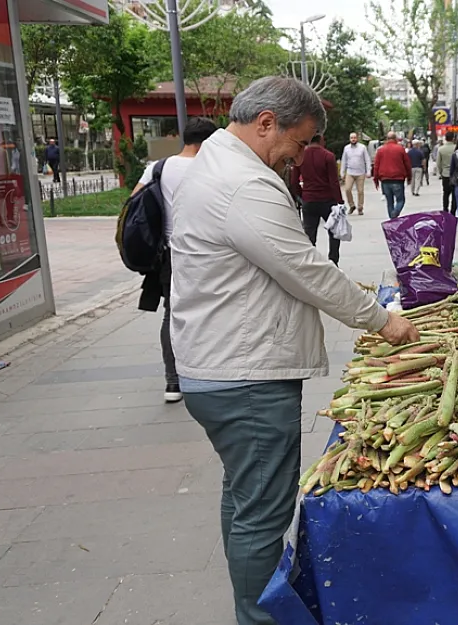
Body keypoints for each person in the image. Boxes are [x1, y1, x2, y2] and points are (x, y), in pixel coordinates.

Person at [168, 76, 419, 625]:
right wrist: (382, 322)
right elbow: (305, 269)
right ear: (265, 123)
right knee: (262, 512)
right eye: (299, 142)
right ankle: (262, 617)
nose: (301, 155)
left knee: (244, 499)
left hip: (217, 362)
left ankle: (251, 607)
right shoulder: (244, 184)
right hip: (244, 373)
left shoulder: (212, 162)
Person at [130, 117, 219, 404]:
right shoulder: (211, 167)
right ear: (208, 142)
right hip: (208, 252)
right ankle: (209, 374)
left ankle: (173, 381)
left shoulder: (158, 167)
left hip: (169, 254)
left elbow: (134, 201)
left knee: (173, 315)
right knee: (212, 312)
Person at [291, 134, 344, 265]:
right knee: (334, 233)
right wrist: (339, 200)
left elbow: (294, 180)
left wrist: (300, 195)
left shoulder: (300, 156)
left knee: (309, 234)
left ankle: (311, 263)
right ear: (321, 140)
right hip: (328, 201)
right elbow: (334, 181)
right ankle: (333, 260)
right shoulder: (328, 156)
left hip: (309, 200)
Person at [373, 131, 411, 219]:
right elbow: (407, 164)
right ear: (396, 139)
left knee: (389, 202)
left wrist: (376, 179)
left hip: (385, 180)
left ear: (386, 139)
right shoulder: (400, 149)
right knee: (400, 200)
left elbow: (376, 165)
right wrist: (409, 177)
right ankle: (395, 214)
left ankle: (392, 220)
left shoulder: (380, 150)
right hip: (398, 179)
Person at [340, 132, 370, 216]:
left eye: (354, 138)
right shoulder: (346, 148)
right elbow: (344, 161)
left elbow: (367, 160)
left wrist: (368, 171)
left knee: (360, 191)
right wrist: (342, 172)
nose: (353, 139)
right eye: (351, 138)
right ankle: (351, 205)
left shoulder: (362, 148)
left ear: (357, 138)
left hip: (360, 172)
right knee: (347, 189)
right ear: (349, 139)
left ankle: (360, 208)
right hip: (350, 172)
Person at [437, 131, 457, 213]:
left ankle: (445, 209)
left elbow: (438, 163)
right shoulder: (456, 148)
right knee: (454, 194)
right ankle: (453, 211)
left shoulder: (441, 149)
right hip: (455, 175)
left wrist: (441, 172)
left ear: (445, 138)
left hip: (445, 174)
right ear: (453, 138)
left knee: (446, 193)